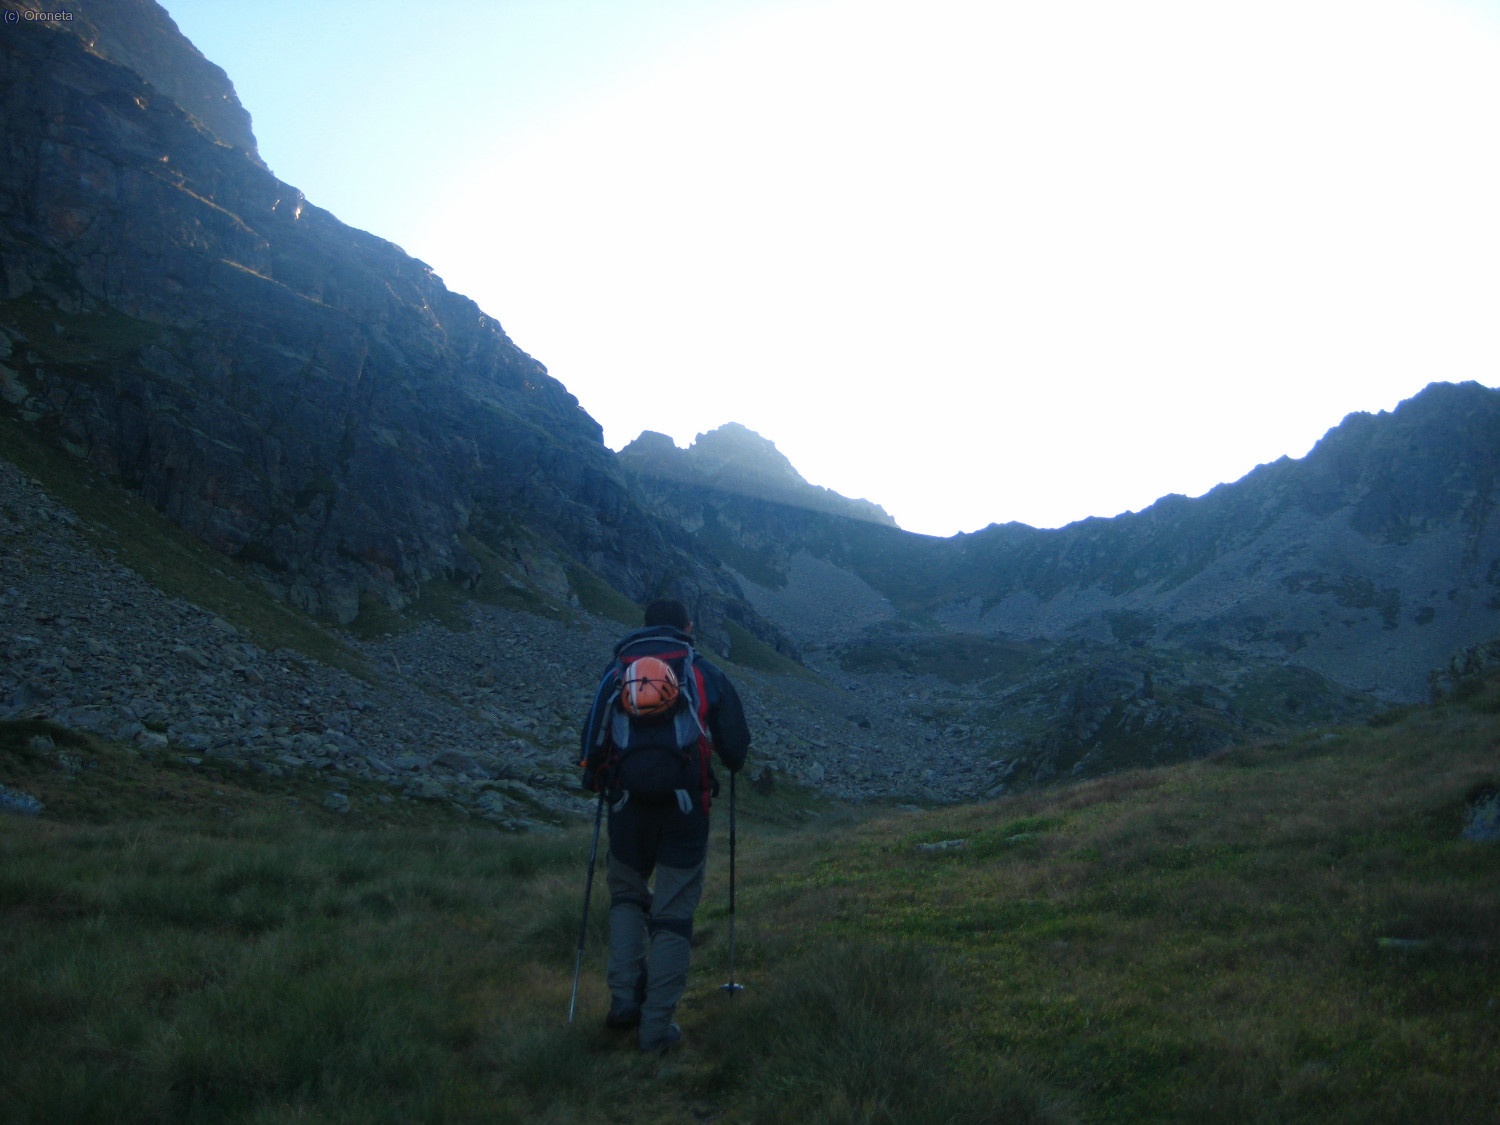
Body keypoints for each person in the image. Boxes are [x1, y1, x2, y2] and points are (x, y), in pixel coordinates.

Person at [579, 597, 751, 1053]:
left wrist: (596, 778)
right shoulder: (701, 669)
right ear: (688, 627)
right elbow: (736, 746)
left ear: (645, 625)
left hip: (626, 805)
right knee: (673, 915)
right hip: (685, 810)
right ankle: (657, 1029)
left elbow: (592, 738)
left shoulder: (617, 670)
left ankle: (622, 1003)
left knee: (627, 899)